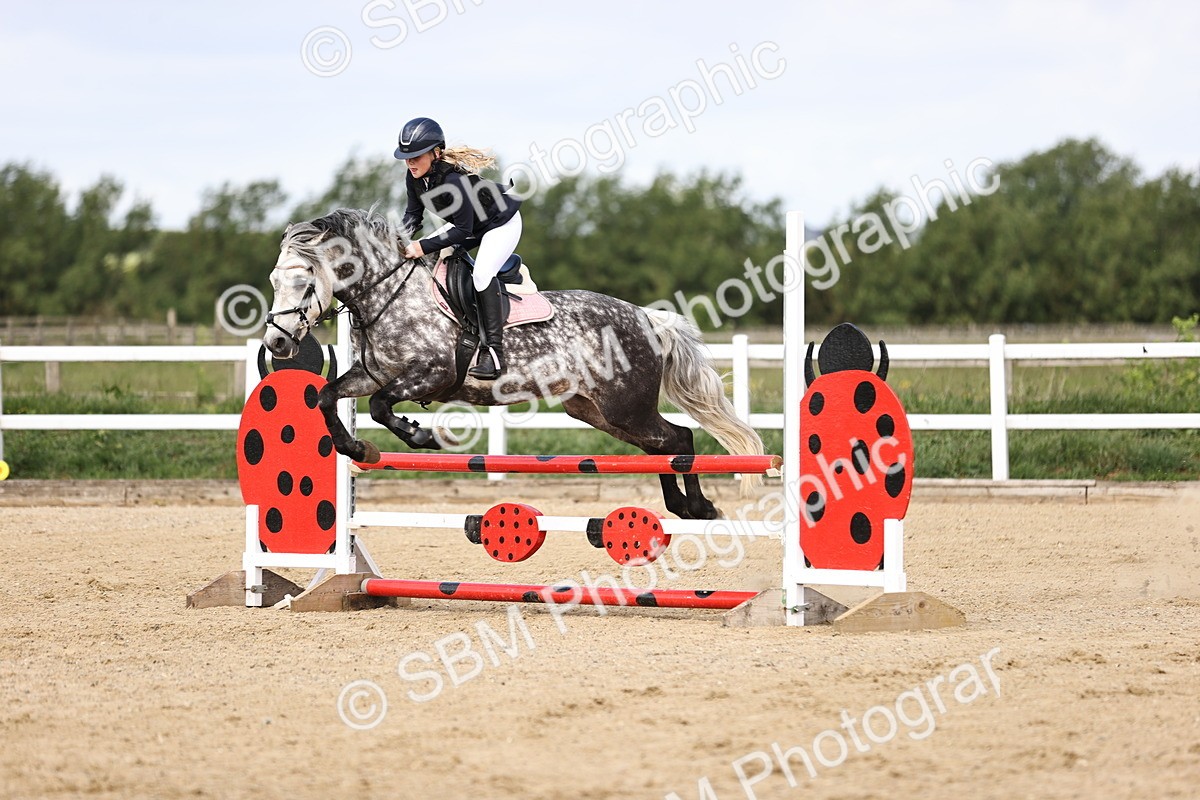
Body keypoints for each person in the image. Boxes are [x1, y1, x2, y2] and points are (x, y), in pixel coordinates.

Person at [395, 117, 522, 380]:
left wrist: (422, 246)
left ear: (436, 153)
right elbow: (412, 216)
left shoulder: (454, 182)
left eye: (416, 156)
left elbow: (463, 231)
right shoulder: (415, 178)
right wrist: (396, 240)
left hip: (501, 223)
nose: (410, 162)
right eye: (407, 156)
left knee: (482, 274)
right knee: (434, 258)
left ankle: (494, 354)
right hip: (473, 224)